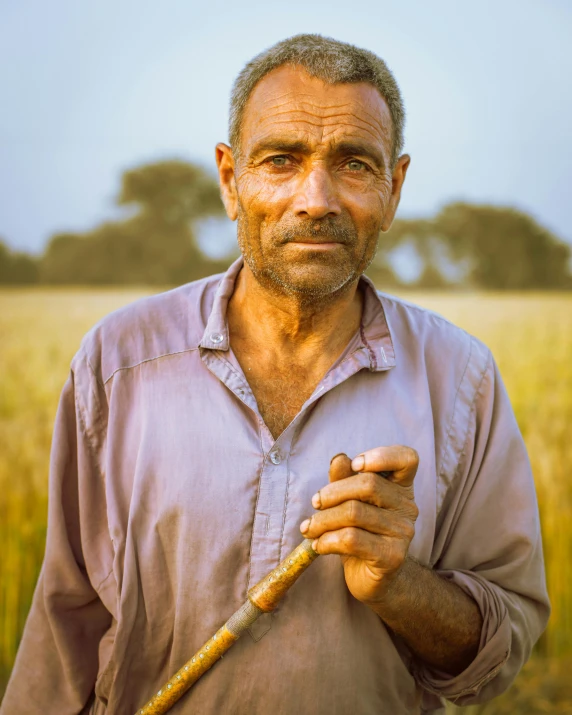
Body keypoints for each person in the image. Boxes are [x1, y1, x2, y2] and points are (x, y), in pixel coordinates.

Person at [1, 34, 549, 715]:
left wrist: (396, 583)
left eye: (353, 163)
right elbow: (63, 633)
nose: (315, 198)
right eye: (282, 160)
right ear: (231, 180)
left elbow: (499, 652)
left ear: (394, 187)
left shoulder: (461, 380)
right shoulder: (120, 360)